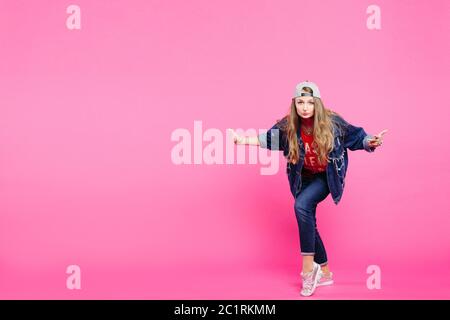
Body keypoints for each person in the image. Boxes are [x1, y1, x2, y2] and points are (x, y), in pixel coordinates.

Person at [230, 81, 388, 297]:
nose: (305, 107)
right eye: (301, 102)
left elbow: (357, 137)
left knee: (301, 206)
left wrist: (371, 141)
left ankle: (307, 270)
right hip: (302, 178)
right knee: (307, 220)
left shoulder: (332, 123)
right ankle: (325, 272)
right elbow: (267, 139)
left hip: (325, 176)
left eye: (310, 103)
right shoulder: (289, 126)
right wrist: (241, 140)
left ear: (317, 104)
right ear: (295, 104)